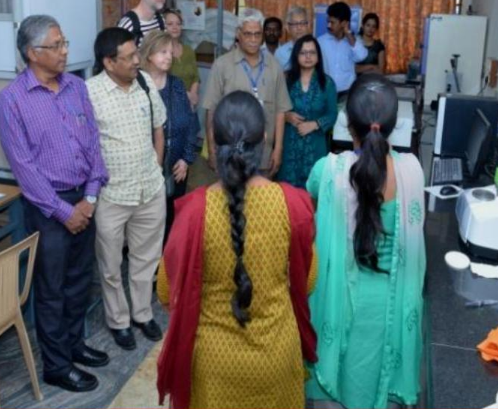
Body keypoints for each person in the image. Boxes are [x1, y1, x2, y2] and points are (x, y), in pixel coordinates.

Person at [156, 91, 318, 409]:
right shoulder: (291, 205)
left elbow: (165, 290)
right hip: (276, 358)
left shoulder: (195, 213)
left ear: (214, 144)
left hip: (214, 365)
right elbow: (308, 280)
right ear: (266, 139)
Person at [0, 15, 110, 393]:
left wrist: (90, 198)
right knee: (52, 289)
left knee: (80, 282)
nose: (65, 51)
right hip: (49, 209)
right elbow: (24, 168)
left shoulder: (76, 87)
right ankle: (57, 365)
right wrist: (65, 212)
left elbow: (93, 144)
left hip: (84, 201)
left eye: (64, 43)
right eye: (56, 45)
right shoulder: (11, 100)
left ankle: (75, 345)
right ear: (33, 53)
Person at [305, 74, 426, 409]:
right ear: (394, 125)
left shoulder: (328, 171)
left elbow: (312, 207)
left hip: (343, 305)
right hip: (391, 310)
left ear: (347, 125)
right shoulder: (413, 172)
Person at [86, 27, 167, 352]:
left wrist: (156, 167)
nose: (137, 60)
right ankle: (118, 321)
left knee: (145, 259)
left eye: (137, 53)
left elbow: (159, 128)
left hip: (150, 190)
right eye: (130, 56)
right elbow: (86, 145)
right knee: (109, 265)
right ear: (109, 62)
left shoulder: (144, 83)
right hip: (112, 196)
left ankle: (143, 314)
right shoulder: (89, 93)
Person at [202, 8, 292, 177]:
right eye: (248, 34)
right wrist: (213, 151)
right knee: (231, 194)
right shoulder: (222, 65)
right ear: (238, 34)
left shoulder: (274, 67)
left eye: (257, 34)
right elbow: (211, 111)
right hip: (230, 156)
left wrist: (278, 149)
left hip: (264, 156)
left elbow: (280, 111)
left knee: (261, 194)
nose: (253, 40)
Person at [139, 30, 199, 241]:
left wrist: (186, 159)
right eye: (162, 52)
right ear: (149, 54)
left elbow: (190, 123)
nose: (168, 57)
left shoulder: (177, 85)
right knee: (147, 223)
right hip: (145, 169)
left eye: (170, 52)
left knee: (172, 218)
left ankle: (168, 257)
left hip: (176, 168)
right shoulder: (138, 86)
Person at [277, 35, 338, 188]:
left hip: (315, 144)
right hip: (290, 143)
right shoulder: (286, 80)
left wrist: (315, 124)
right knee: (287, 191)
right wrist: (286, 116)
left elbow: (333, 114)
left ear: (318, 56)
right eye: (303, 53)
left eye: (312, 52)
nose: (308, 56)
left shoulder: (327, 83)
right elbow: (274, 108)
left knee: (313, 190)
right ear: (296, 55)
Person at [317, 2, 368, 96]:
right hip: (326, 93)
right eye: (328, 22)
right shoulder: (320, 42)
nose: (329, 25)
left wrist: (348, 34)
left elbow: (362, 56)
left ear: (344, 23)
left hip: (348, 93)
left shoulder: (353, 41)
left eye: (332, 22)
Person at [164, 8, 201, 109]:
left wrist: (193, 94)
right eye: (170, 24)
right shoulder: (161, 53)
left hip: (189, 105)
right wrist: (186, 95)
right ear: (164, 27)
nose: (175, 27)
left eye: (178, 24)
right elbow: (163, 83)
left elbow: (196, 77)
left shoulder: (189, 50)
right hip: (169, 105)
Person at [275, 6, 312, 71]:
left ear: (308, 25)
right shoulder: (280, 53)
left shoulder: (316, 49)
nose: (299, 27)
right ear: (287, 28)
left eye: (302, 23)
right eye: (295, 24)